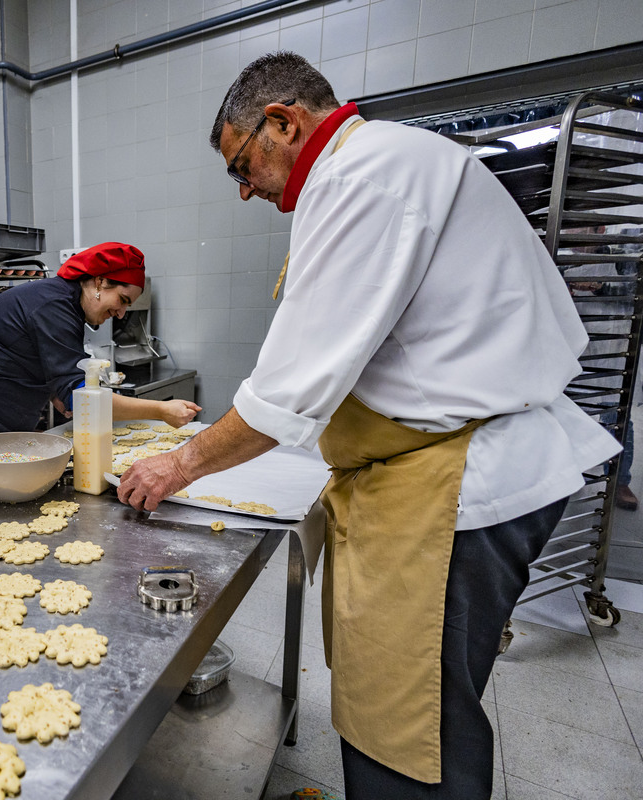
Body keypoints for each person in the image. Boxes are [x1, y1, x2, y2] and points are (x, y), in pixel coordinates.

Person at [117, 52, 620, 800]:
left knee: (409, 723)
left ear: (282, 122)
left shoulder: (363, 177)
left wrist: (176, 466)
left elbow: (288, 387)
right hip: (429, 472)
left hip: (452, 486)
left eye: (241, 166)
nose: (247, 191)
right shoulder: (383, 162)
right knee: (416, 704)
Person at [0, 241, 201, 487]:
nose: (120, 313)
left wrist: (55, 392)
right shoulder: (54, 305)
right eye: (122, 301)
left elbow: (26, 355)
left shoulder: (65, 304)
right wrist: (161, 410)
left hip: (0, 411)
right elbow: (84, 402)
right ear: (98, 282)